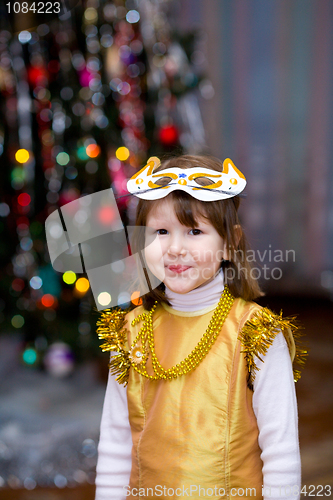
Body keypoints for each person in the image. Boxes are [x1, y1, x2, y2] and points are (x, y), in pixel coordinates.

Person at [95, 155, 306, 500]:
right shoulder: (130, 331)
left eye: (194, 231)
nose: (176, 248)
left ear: (228, 242)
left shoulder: (255, 333)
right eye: (161, 232)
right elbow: (116, 441)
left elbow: (280, 449)